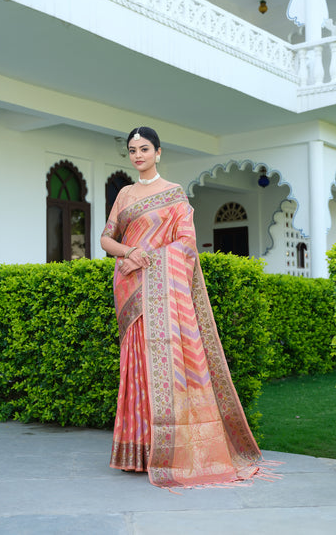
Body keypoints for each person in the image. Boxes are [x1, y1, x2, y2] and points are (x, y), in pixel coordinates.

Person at [100, 126, 262, 489]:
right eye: (132, 150)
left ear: (158, 152)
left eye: (144, 148)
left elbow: (187, 244)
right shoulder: (125, 194)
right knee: (138, 364)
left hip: (162, 288)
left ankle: (170, 449)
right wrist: (131, 253)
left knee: (166, 365)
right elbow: (106, 238)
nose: (137, 155)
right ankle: (138, 451)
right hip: (130, 285)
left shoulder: (173, 195)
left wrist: (151, 258)